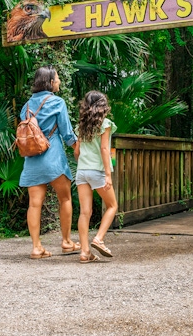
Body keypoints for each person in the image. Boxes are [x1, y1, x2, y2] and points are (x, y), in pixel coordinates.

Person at [19, 66, 80, 259]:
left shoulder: (26, 106)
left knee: (34, 204)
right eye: (58, 79)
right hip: (53, 158)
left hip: (32, 159)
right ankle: (67, 242)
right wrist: (78, 149)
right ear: (50, 82)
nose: (60, 82)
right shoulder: (57, 102)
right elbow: (67, 133)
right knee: (65, 199)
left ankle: (37, 247)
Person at [74, 91, 118, 263]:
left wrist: (83, 163)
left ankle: (85, 252)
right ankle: (99, 239)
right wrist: (108, 174)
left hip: (82, 171)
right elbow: (105, 149)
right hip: (97, 171)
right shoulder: (105, 124)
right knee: (112, 206)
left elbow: (77, 151)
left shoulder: (81, 126)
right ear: (102, 106)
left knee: (85, 212)